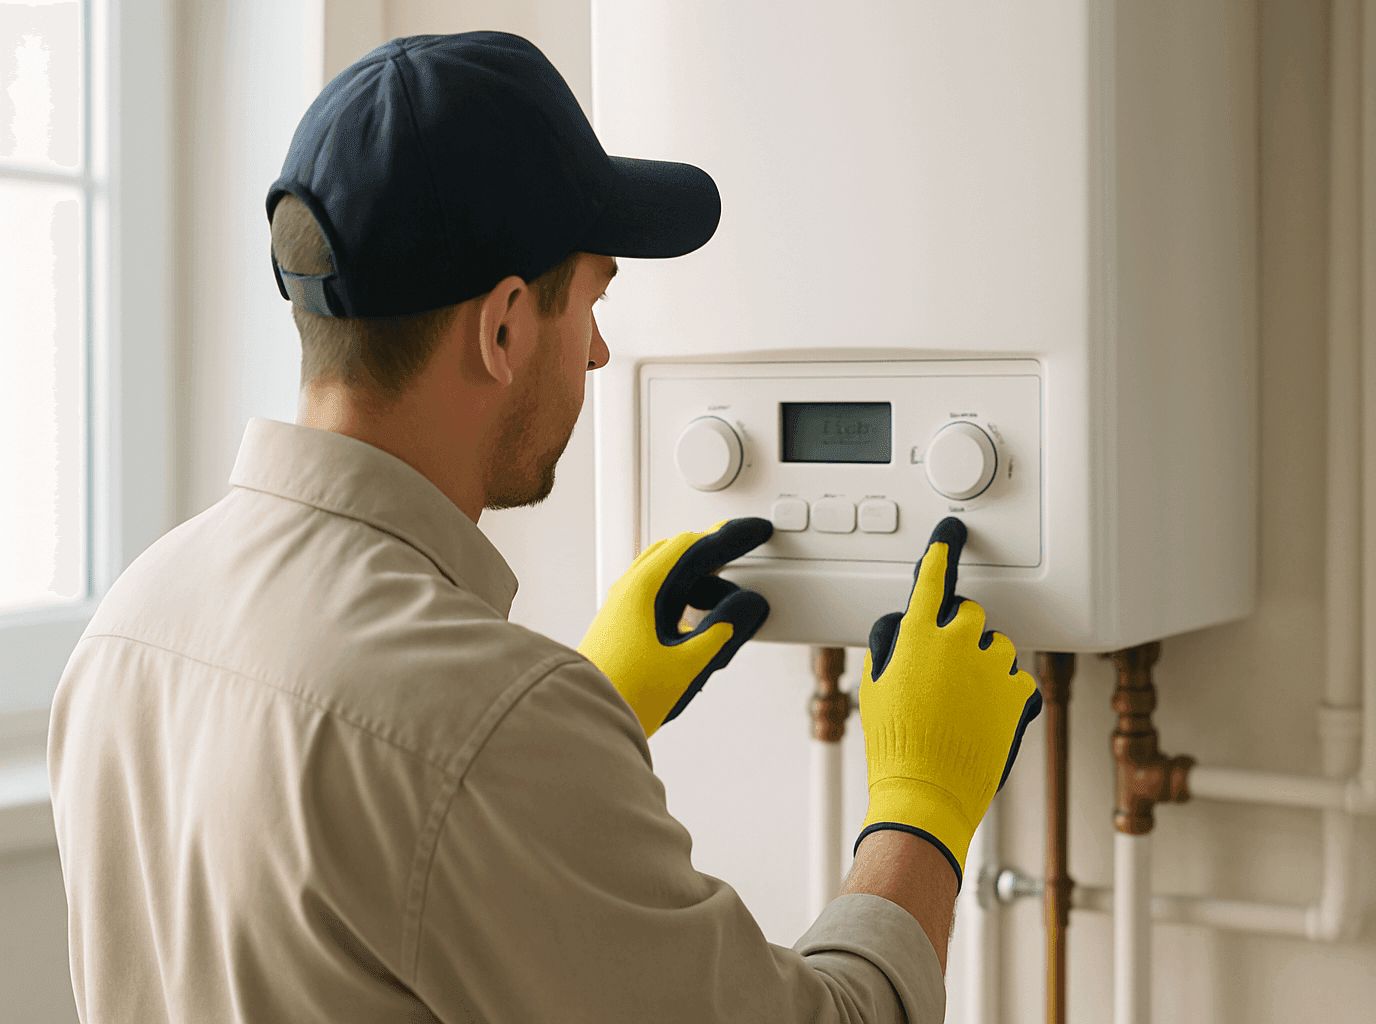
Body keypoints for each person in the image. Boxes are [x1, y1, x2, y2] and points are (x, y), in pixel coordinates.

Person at [48, 31, 1041, 1024]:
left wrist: (588, 707)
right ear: (504, 327)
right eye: (592, 301)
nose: (600, 353)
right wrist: (922, 805)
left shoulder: (130, 624)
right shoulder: (482, 730)